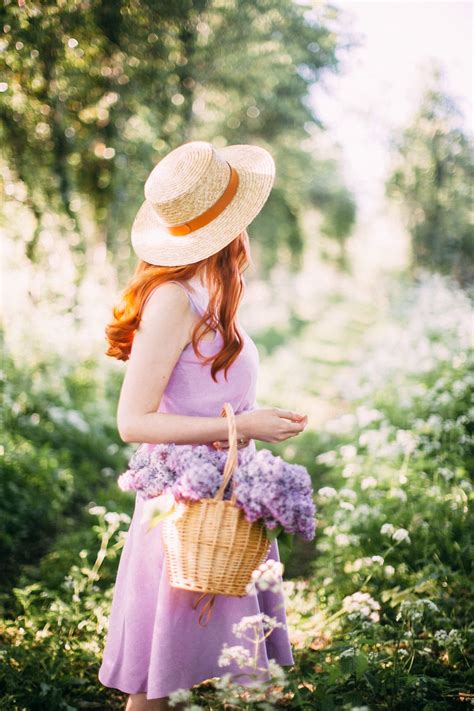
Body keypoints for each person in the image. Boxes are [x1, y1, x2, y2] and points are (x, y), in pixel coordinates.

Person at [98, 140, 308, 710]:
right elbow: (132, 421)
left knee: (232, 672)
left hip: (221, 503)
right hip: (184, 508)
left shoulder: (208, 298)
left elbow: (206, 397)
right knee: (155, 685)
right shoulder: (172, 299)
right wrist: (247, 425)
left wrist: (250, 423)